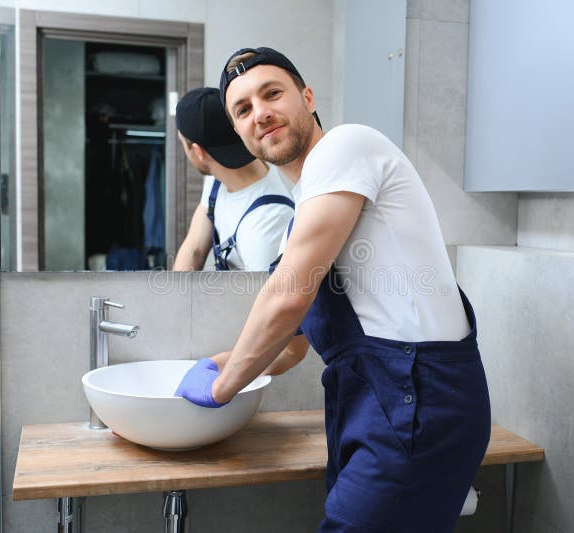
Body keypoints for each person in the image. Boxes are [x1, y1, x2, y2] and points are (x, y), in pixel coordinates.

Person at [175, 48, 491, 532]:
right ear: (238, 133)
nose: (260, 112)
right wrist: (224, 358)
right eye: (243, 109)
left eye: (272, 93)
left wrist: (224, 386)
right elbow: (294, 347)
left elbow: (289, 295)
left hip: (420, 396)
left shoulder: (348, 146)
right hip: (370, 403)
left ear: (306, 96)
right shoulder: (303, 213)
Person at [172, 87, 295, 271]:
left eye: (183, 143)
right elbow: (195, 249)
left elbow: (266, 298)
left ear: (199, 152)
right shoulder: (219, 174)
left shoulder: (267, 223)